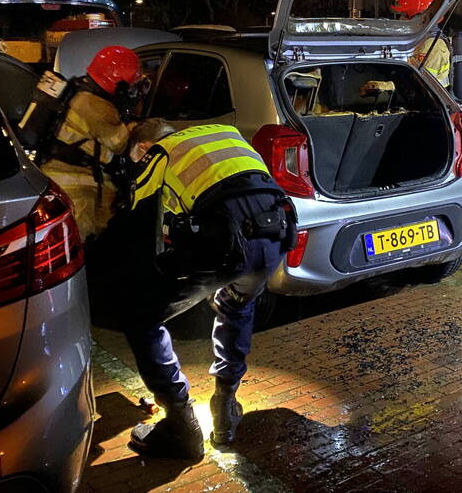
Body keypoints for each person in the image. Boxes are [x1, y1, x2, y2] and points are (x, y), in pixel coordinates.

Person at [117, 121, 295, 460]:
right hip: (275, 236)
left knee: (141, 318)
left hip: (223, 245)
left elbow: (136, 220)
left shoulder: (159, 155)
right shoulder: (226, 132)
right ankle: (225, 409)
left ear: (142, 147)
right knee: (236, 306)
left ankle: (180, 424)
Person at [39, 46, 145, 240]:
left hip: (56, 174)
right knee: (83, 238)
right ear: (118, 82)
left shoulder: (80, 88)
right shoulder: (97, 106)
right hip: (77, 183)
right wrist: (133, 124)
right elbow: (121, 144)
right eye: (132, 85)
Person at [392, 0, 452, 87]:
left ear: (421, 18)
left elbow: (420, 84)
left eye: (405, 15)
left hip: (428, 101)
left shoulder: (432, 46)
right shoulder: (419, 40)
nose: (400, 19)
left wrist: (385, 86)